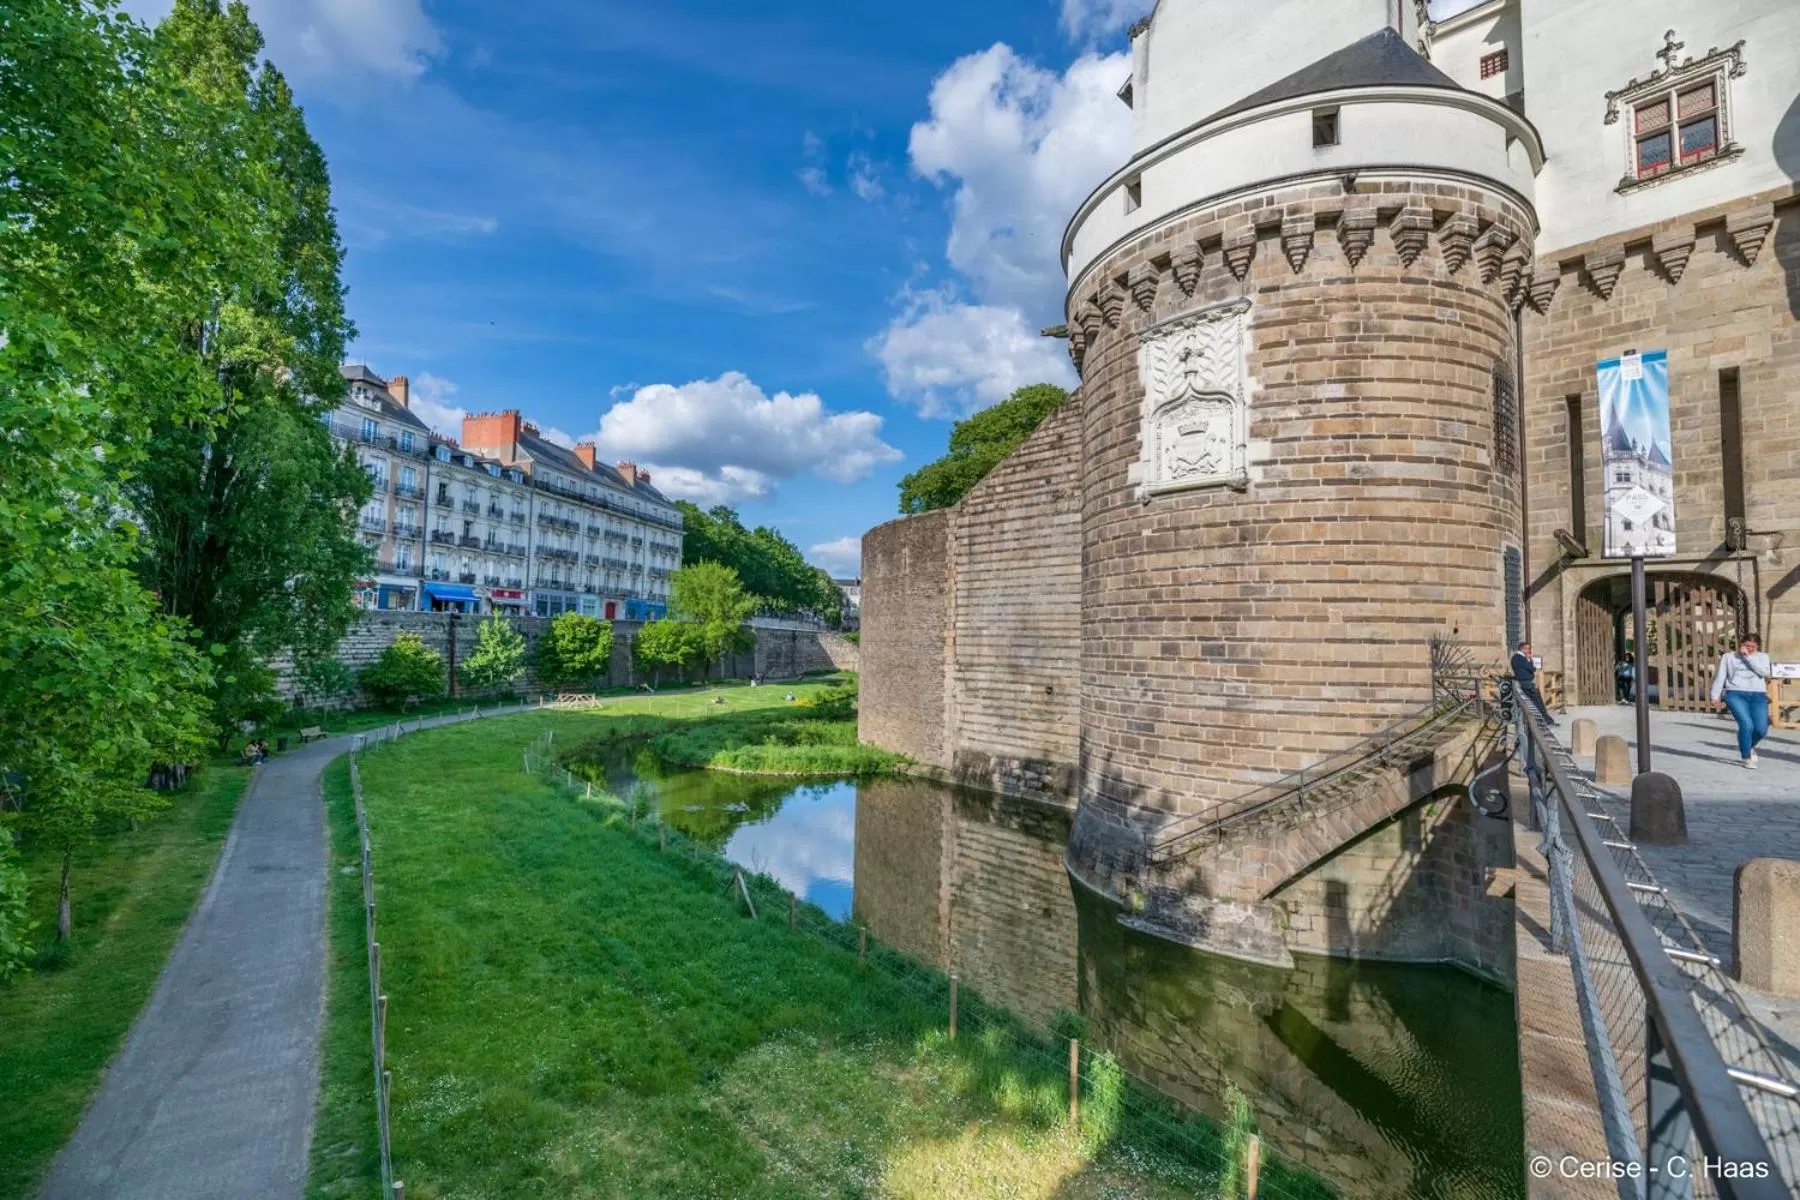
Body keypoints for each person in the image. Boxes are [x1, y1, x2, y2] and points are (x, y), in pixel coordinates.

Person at [1711, 632, 1772, 768]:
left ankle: (1748, 745)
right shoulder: (1729, 657)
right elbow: (1721, 676)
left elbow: (1764, 673)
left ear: (1758, 646)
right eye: (1746, 645)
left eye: (1752, 647)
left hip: (1758, 694)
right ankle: (1747, 757)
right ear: (1740, 644)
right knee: (1746, 724)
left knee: (1761, 729)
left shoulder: (1763, 657)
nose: (1749, 648)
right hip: (1735, 693)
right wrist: (1715, 695)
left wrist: (1749, 658)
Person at [1510, 640, 1550, 723]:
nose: (1529, 651)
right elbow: (1532, 668)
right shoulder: (1520, 658)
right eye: (1528, 649)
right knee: (1537, 703)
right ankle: (1545, 720)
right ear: (1523, 649)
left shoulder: (1516, 657)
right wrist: (1530, 660)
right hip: (1526, 684)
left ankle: (1545, 719)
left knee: (1536, 702)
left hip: (1525, 683)